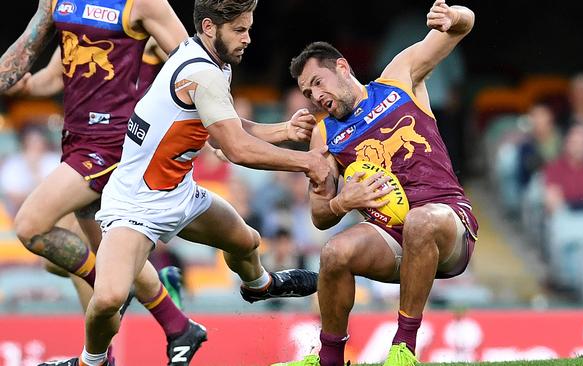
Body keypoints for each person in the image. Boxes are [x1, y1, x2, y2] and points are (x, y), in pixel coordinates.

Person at [40, 0, 330, 365]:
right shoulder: (202, 72)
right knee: (108, 299)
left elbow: (225, 131)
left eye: (249, 28)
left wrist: (284, 130)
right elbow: (235, 149)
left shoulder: (209, 62)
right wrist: (307, 162)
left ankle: (260, 285)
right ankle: (90, 361)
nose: (248, 39)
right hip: (136, 206)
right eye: (240, 30)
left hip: (180, 193)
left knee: (246, 242)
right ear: (210, 27)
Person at [0, 0, 209, 365]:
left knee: (31, 226)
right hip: (75, 141)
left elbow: (198, 68)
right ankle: (177, 326)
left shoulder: (143, 5)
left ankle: (99, 353)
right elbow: (52, 74)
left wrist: (205, 133)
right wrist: (23, 76)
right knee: (104, 259)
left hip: (112, 144)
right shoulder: (60, 3)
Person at [277, 1, 477, 365]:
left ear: (342, 67)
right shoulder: (324, 135)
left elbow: (463, 25)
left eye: (318, 83)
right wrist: (343, 201)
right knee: (333, 253)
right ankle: (329, 359)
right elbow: (320, 216)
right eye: (307, 93)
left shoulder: (398, 79)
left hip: (448, 225)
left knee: (421, 221)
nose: (316, 97)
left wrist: (454, 16)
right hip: (391, 241)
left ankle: (403, 350)